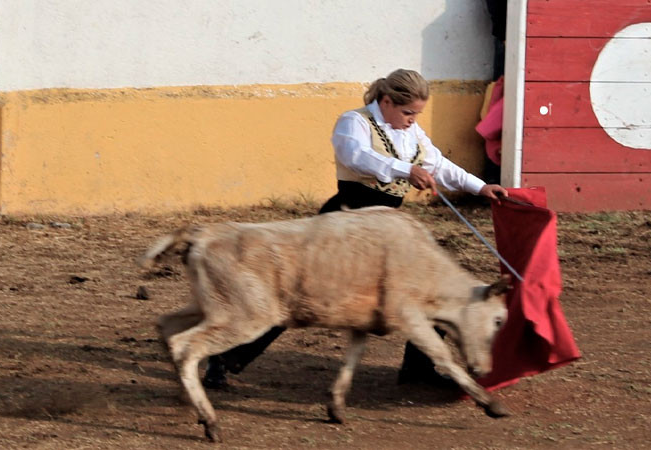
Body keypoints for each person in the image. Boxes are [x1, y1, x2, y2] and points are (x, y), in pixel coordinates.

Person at [203, 68, 507, 390]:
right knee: (294, 297)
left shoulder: (412, 134)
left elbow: (440, 165)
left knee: (431, 292)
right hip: (340, 229)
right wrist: (406, 170)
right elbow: (358, 156)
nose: (412, 120)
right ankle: (221, 358)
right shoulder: (354, 122)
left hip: (385, 238)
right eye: (407, 112)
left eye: (416, 114)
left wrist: (481, 187)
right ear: (386, 101)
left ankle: (419, 369)